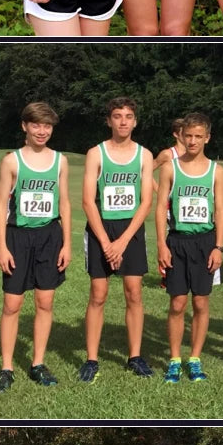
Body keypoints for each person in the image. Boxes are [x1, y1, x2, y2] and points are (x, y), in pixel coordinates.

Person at [0, 102, 71, 393]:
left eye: (47, 126)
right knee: (12, 304)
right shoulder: (12, 161)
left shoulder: (59, 161)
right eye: (36, 125)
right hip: (18, 237)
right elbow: (1, 205)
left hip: (50, 237)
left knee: (45, 303)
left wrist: (66, 244)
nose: (42, 131)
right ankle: (7, 368)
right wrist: (1, 246)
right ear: (24, 126)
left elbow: (64, 202)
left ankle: (38, 363)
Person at [80, 97, 156, 382]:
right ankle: (91, 359)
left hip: (130, 231)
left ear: (135, 121)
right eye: (117, 116)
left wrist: (122, 242)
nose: (123, 121)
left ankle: (135, 356)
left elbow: (146, 202)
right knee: (98, 294)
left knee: (134, 293)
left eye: (128, 116)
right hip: (101, 227)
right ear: (109, 120)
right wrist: (105, 242)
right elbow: (88, 201)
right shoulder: (96, 153)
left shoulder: (144, 155)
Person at [156, 111, 223, 382]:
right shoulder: (170, 168)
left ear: (207, 138)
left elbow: (220, 211)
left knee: (200, 302)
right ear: (181, 136)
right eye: (189, 136)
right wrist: (162, 245)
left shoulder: (216, 171)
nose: (193, 141)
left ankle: (194, 358)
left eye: (199, 136)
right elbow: (161, 209)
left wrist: (218, 247)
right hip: (177, 242)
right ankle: (174, 359)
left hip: (205, 243)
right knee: (177, 303)